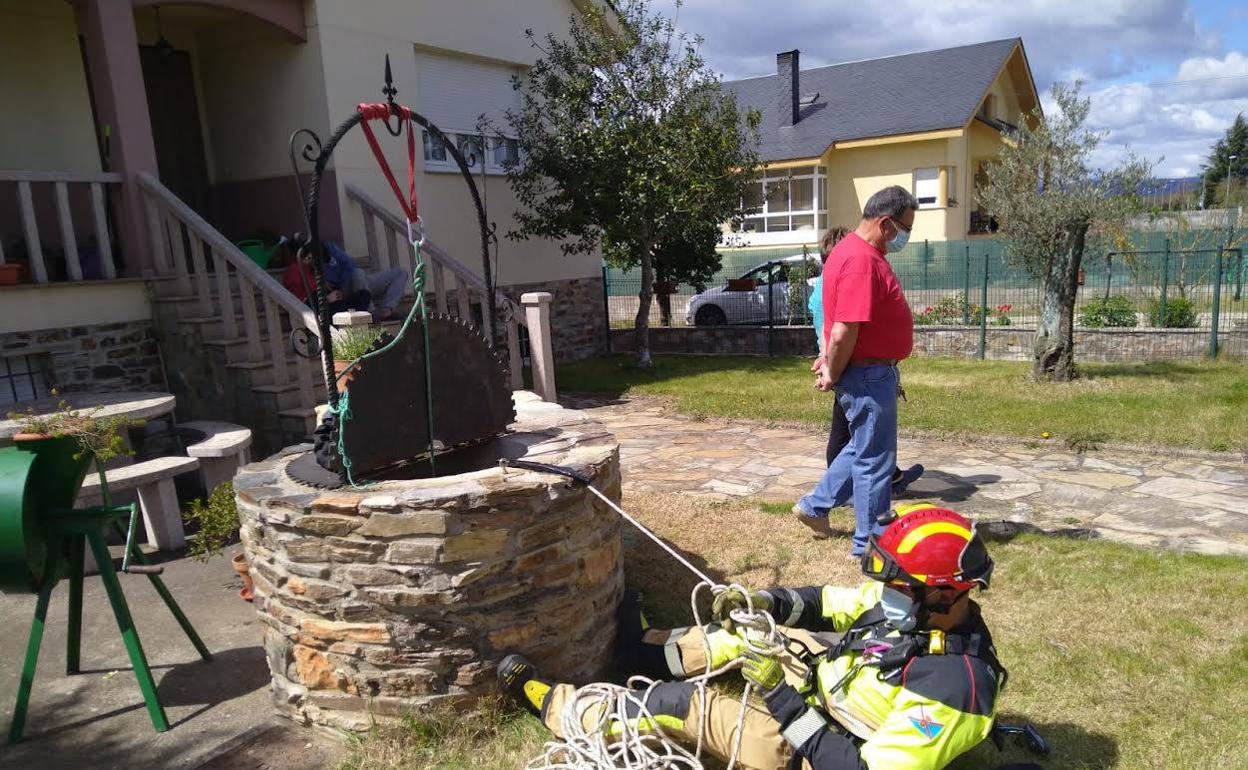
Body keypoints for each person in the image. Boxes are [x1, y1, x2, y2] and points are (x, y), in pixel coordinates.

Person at [499, 504, 1011, 770]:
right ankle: (647, 653)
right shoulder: (916, 615)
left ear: (944, 595)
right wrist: (764, 601)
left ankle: (561, 711)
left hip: (814, 753)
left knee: (684, 706)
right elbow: (829, 604)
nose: (884, 595)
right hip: (829, 682)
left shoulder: (953, 692)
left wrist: (779, 695)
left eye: (897, 588)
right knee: (743, 633)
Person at [796, 186, 918, 556]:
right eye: (904, 228)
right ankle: (870, 544)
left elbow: (836, 323)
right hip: (868, 376)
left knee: (861, 449)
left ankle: (815, 506)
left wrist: (833, 366)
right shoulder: (861, 259)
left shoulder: (850, 252)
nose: (906, 237)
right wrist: (831, 370)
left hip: (868, 372)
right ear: (885, 223)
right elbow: (843, 328)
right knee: (875, 461)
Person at [810, 227, 924, 492]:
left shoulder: (829, 282)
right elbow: (836, 330)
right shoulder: (842, 280)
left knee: (859, 432)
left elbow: (828, 327)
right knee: (860, 436)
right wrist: (829, 363)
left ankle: (833, 496)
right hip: (854, 367)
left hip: (846, 364)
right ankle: (826, 497)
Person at [321, 241, 408, 321]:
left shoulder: (330, 248)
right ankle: (371, 313)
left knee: (401, 272)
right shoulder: (309, 263)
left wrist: (340, 280)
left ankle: (386, 310)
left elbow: (351, 265)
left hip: (357, 282)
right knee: (358, 274)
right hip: (340, 294)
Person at [282, 250, 372, 316]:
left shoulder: (311, 270)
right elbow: (300, 302)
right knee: (345, 305)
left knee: (363, 295)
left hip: (329, 302)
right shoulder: (293, 272)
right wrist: (327, 299)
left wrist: (332, 291)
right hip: (319, 309)